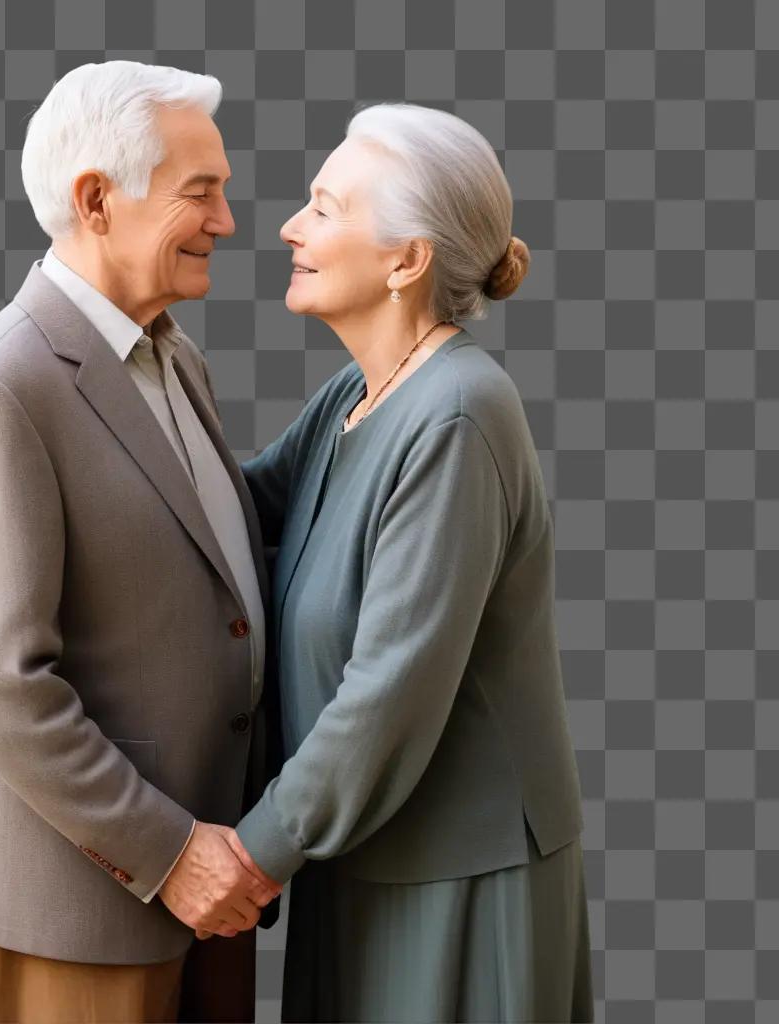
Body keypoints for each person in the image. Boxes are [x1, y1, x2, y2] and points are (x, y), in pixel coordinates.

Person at [0, 61, 283, 1024]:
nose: (227, 222)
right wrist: (169, 853)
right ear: (95, 200)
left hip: (206, 881)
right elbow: (6, 684)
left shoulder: (171, 353)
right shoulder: (0, 385)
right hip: (80, 905)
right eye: (200, 194)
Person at [227, 103, 595, 1022]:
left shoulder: (460, 416)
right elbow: (219, 516)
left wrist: (249, 856)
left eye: (325, 206)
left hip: (459, 880)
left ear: (405, 260)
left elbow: (388, 690)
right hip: (361, 860)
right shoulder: (356, 392)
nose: (290, 227)